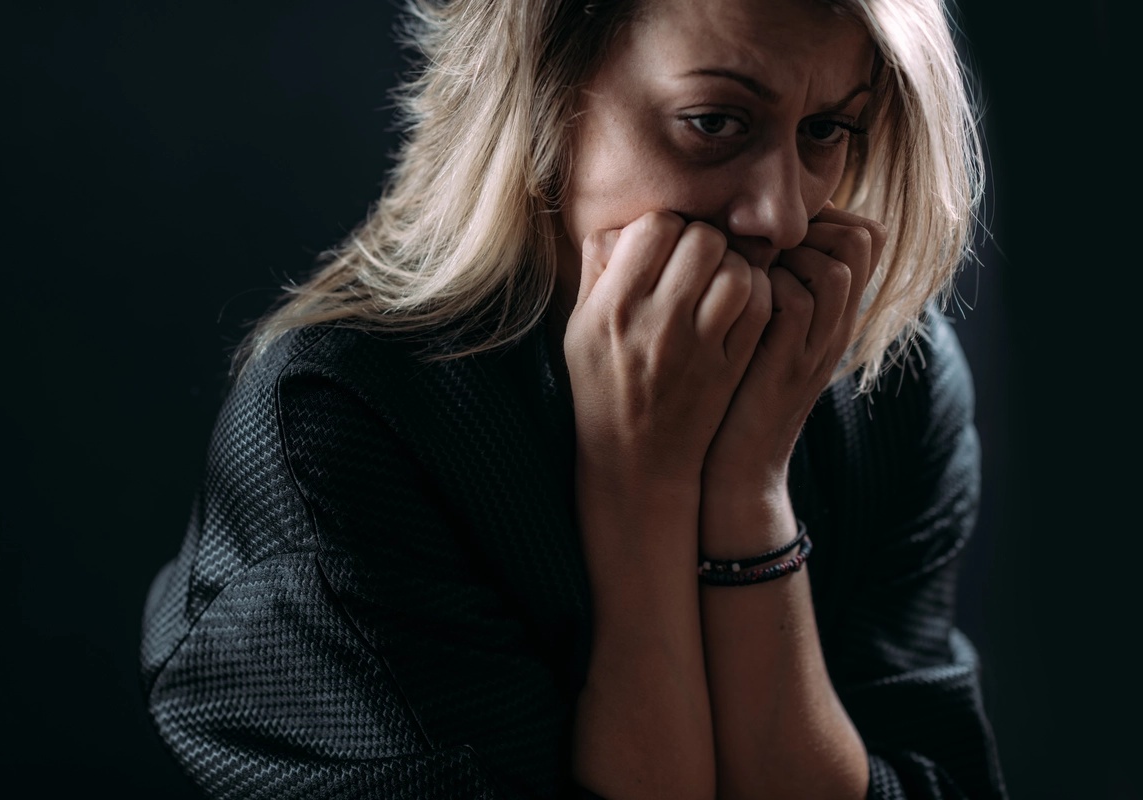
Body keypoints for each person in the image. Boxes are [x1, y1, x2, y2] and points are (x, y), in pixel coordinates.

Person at [140, 0, 1007, 797]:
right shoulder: (343, 426)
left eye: (827, 129)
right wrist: (643, 494)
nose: (780, 216)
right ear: (544, 103)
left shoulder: (888, 376)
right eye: (714, 123)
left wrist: (750, 489)